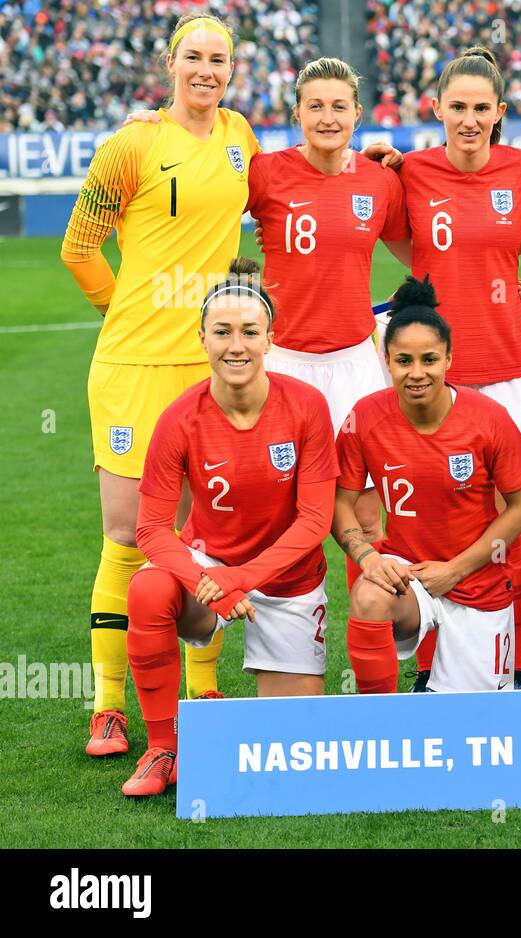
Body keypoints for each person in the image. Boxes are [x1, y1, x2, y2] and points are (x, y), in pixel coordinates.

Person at [60, 12, 258, 756]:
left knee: (203, 533)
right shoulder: (131, 144)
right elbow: (79, 249)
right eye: (194, 58)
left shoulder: (241, 139)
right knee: (125, 536)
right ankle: (108, 708)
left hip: (214, 367)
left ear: (231, 70)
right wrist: (131, 309)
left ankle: (202, 687)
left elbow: (287, 198)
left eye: (219, 60)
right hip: (133, 370)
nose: (207, 70)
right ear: (170, 63)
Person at [122, 258, 339, 796]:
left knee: (292, 754)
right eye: (222, 332)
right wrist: (206, 583)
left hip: (288, 579)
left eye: (248, 332)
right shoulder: (178, 419)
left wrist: (245, 579)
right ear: (202, 338)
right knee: (148, 587)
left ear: (271, 337)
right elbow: (150, 529)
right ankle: (162, 748)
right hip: (211, 572)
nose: (235, 345)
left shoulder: (307, 407)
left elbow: (315, 519)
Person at [394, 47, 521, 690]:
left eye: (482, 108)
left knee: (512, 513)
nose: (469, 118)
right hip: (437, 374)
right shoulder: (411, 174)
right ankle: (430, 665)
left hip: (509, 367)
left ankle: (506, 662)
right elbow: (403, 242)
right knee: (432, 515)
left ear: (500, 113)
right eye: (458, 106)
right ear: (436, 109)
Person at [245, 56, 409, 598]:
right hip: (285, 363)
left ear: (357, 114)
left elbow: (424, 248)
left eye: (339, 106)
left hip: (356, 363)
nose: (328, 117)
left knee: (364, 509)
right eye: (315, 106)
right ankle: (292, 633)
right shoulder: (264, 173)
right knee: (278, 506)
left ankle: (373, 638)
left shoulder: (380, 181)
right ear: (297, 113)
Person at [336, 276, 521, 693]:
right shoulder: (364, 418)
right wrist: (369, 558)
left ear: (448, 358)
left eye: (429, 359)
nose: (416, 373)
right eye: (403, 361)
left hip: (478, 581)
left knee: (478, 720)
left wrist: (455, 569)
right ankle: (380, 725)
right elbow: (341, 502)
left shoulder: (488, 417)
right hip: (410, 579)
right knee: (370, 595)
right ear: (386, 360)